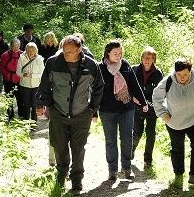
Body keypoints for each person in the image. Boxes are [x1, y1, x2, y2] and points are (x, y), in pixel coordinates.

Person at [38, 35, 104, 193]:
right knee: (59, 146)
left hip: (81, 114)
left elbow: (99, 87)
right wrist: (47, 106)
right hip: (58, 113)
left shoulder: (91, 64)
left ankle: (76, 180)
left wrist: (92, 109)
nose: (65, 54)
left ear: (79, 50)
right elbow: (44, 86)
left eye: (70, 52)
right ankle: (61, 174)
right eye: (64, 50)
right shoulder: (53, 62)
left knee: (78, 149)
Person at [152, 58, 194, 188]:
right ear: (175, 72)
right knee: (177, 149)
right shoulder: (168, 81)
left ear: (190, 71)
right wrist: (163, 114)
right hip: (174, 121)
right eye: (179, 74)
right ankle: (178, 174)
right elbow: (156, 97)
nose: (182, 77)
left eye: (185, 74)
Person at [98, 40, 148, 181]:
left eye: (120, 53)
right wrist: (93, 110)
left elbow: (135, 85)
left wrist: (143, 101)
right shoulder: (100, 68)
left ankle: (126, 168)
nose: (119, 56)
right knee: (111, 141)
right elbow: (95, 90)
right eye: (115, 53)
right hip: (107, 111)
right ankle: (112, 170)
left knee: (127, 139)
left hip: (126, 109)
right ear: (108, 53)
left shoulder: (125, 65)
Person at [132, 47, 163, 170]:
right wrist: (133, 97)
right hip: (137, 106)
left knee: (150, 135)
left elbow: (161, 91)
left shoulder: (158, 73)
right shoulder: (134, 70)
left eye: (150, 58)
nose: (147, 60)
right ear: (141, 58)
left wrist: (153, 105)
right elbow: (128, 85)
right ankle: (129, 154)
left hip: (152, 108)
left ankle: (147, 160)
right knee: (137, 133)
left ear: (154, 60)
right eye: (145, 57)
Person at [16, 42, 44, 121]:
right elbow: (18, 72)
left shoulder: (39, 59)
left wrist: (32, 75)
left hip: (36, 85)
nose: (30, 52)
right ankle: (25, 123)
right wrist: (23, 74)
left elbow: (42, 73)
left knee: (35, 105)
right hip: (25, 85)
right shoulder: (22, 58)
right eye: (29, 50)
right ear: (26, 50)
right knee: (26, 105)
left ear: (36, 50)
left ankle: (33, 123)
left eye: (32, 50)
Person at [0, 38, 23, 121]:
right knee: (9, 98)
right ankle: (10, 116)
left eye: (18, 46)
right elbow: (1, 67)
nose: (16, 48)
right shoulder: (5, 55)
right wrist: (8, 75)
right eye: (14, 46)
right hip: (8, 80)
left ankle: (21, 115)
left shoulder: (22, 54)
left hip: (18, 79)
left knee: (20, 98)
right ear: (11, 46)